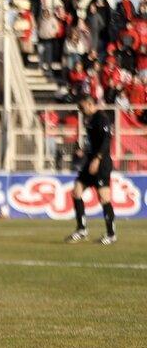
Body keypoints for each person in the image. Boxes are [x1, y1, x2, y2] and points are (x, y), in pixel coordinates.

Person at [67, 95, 117, 245]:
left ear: (90, 104)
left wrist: (97, 158)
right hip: (90, 161)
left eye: (82, 107)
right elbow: (93, 142)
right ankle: (81, 229)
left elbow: (107, 140)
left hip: (101, 163)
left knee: (104, 197)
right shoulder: (90, 119)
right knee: (76, 191)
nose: (80, 110)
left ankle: (111, 234)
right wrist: (84, 151)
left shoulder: (102, 118)